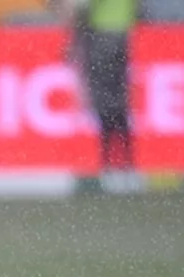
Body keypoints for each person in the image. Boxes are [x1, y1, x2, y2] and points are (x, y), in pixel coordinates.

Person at [60, 0, 137, 171]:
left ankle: (108, 159)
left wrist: (73, 40)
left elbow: (81, 7)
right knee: (119, 97)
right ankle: (127, 158)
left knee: (103, 97)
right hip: (123, 33)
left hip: (102, 35)